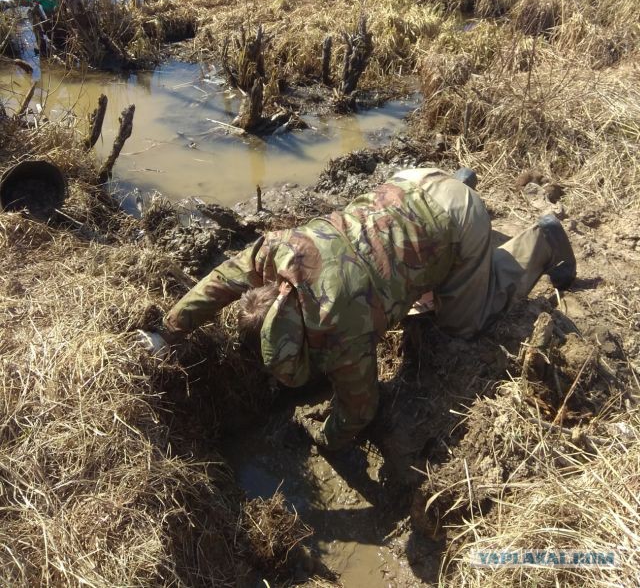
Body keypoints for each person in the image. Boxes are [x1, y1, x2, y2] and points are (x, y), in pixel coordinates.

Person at [137, 167, 576, 451]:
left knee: (462, 323)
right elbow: (217, 285)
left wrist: (322, 441)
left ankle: (541, 240)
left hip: (459, 218)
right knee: (410, 286)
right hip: (413, 182)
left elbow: (360, 409)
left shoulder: (340, 330)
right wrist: (167, 332)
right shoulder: (277, 253)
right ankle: (459, 187)